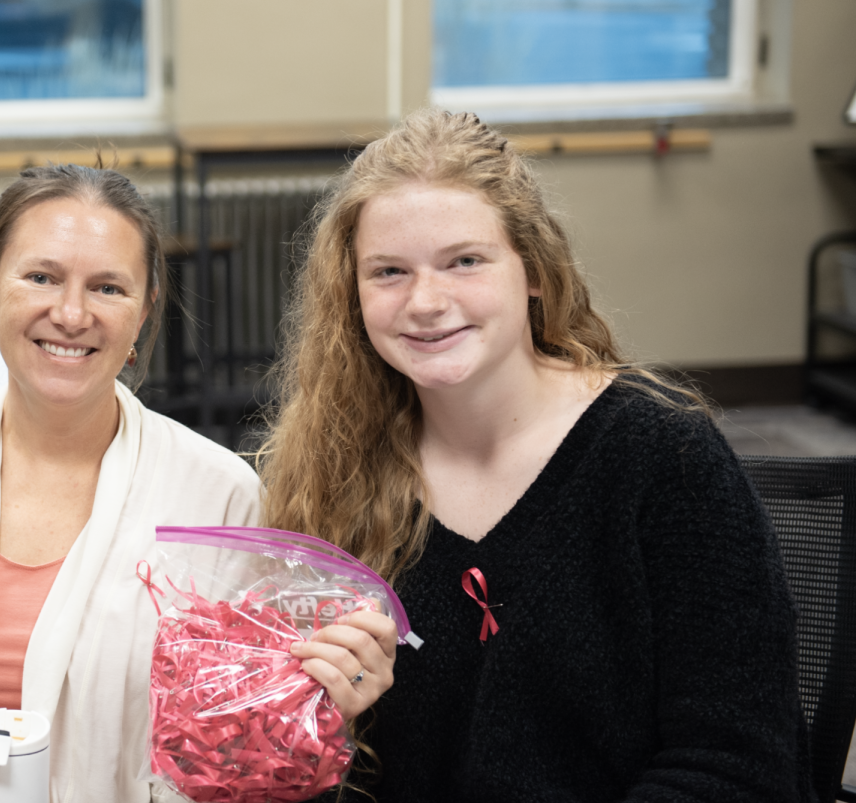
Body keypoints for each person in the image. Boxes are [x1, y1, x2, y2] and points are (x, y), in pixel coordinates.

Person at [0, 163, 390, 803]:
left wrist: (311, 711)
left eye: (108, 288)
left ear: (143, 313)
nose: (70, 313)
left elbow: (229, 759)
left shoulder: (219, 498)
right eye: (41, 277)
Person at [257, 109, 815, 802]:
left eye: (465, 260)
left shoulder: (663, 459)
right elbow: (311, 778)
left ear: (534, 273)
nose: (427, 301)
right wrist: (322, 732)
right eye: (389, 271)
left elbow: (736, 766)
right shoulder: (336, 475)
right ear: (354, 298)